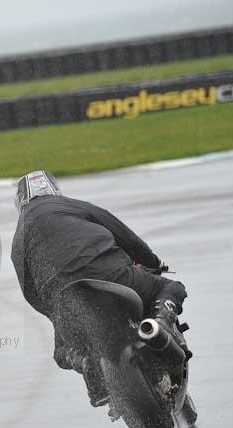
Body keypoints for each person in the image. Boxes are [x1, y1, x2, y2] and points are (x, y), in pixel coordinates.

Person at [11, 170, 188, 407]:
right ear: (54, 190)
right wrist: (153, 262)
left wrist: (55, 312)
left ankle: (85, 362)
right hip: (112, 275)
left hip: (65, 300)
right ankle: (162, 322)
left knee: (61, 352)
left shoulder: (17, 241)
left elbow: (30, 294)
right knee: (171, 286)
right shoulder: (74, 206)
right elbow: (126, 237)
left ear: (20, 202)